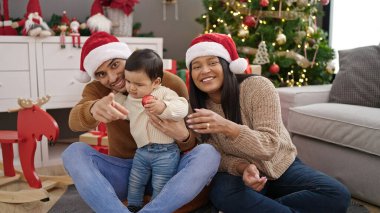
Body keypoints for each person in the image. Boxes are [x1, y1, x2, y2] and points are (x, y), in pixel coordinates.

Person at [185, 33, 351, 213]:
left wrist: (227, 127)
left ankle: (255, 206)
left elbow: (270, 146)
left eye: (212, 63)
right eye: (196, 66)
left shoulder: (258, 87)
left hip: (281, 166)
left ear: (226, 65)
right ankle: (257, 205)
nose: (205, 71)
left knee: (337, 194)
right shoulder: (193, 108)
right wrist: (243, 168)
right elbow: (214, 157)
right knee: (222, 193)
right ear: (191, 74)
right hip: (240, 174)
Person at [62, 31, 221, 213]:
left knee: (208, 153)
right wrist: (93, 109)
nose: (112, 78)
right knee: (73, 152)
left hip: (169, 168)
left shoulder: (169, 83)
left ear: (127, 58)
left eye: (115, 65)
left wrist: (183, 136)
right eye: (101, 74)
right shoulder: (97, 90)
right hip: (126, 173)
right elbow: (74, 121)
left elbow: (196, 140)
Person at [113, 49, 188, 212]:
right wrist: (114, 97)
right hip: (142, 151)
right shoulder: (130, 99)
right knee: (135, 181)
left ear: (156, 82)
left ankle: (155, 208)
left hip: (166, 152)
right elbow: (122, 110)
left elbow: (182, 107)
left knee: (161, 184)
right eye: (128, 81)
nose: (131, 88)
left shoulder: (164, 93)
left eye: (138, 84)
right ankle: (133, 205)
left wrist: (164, 107)